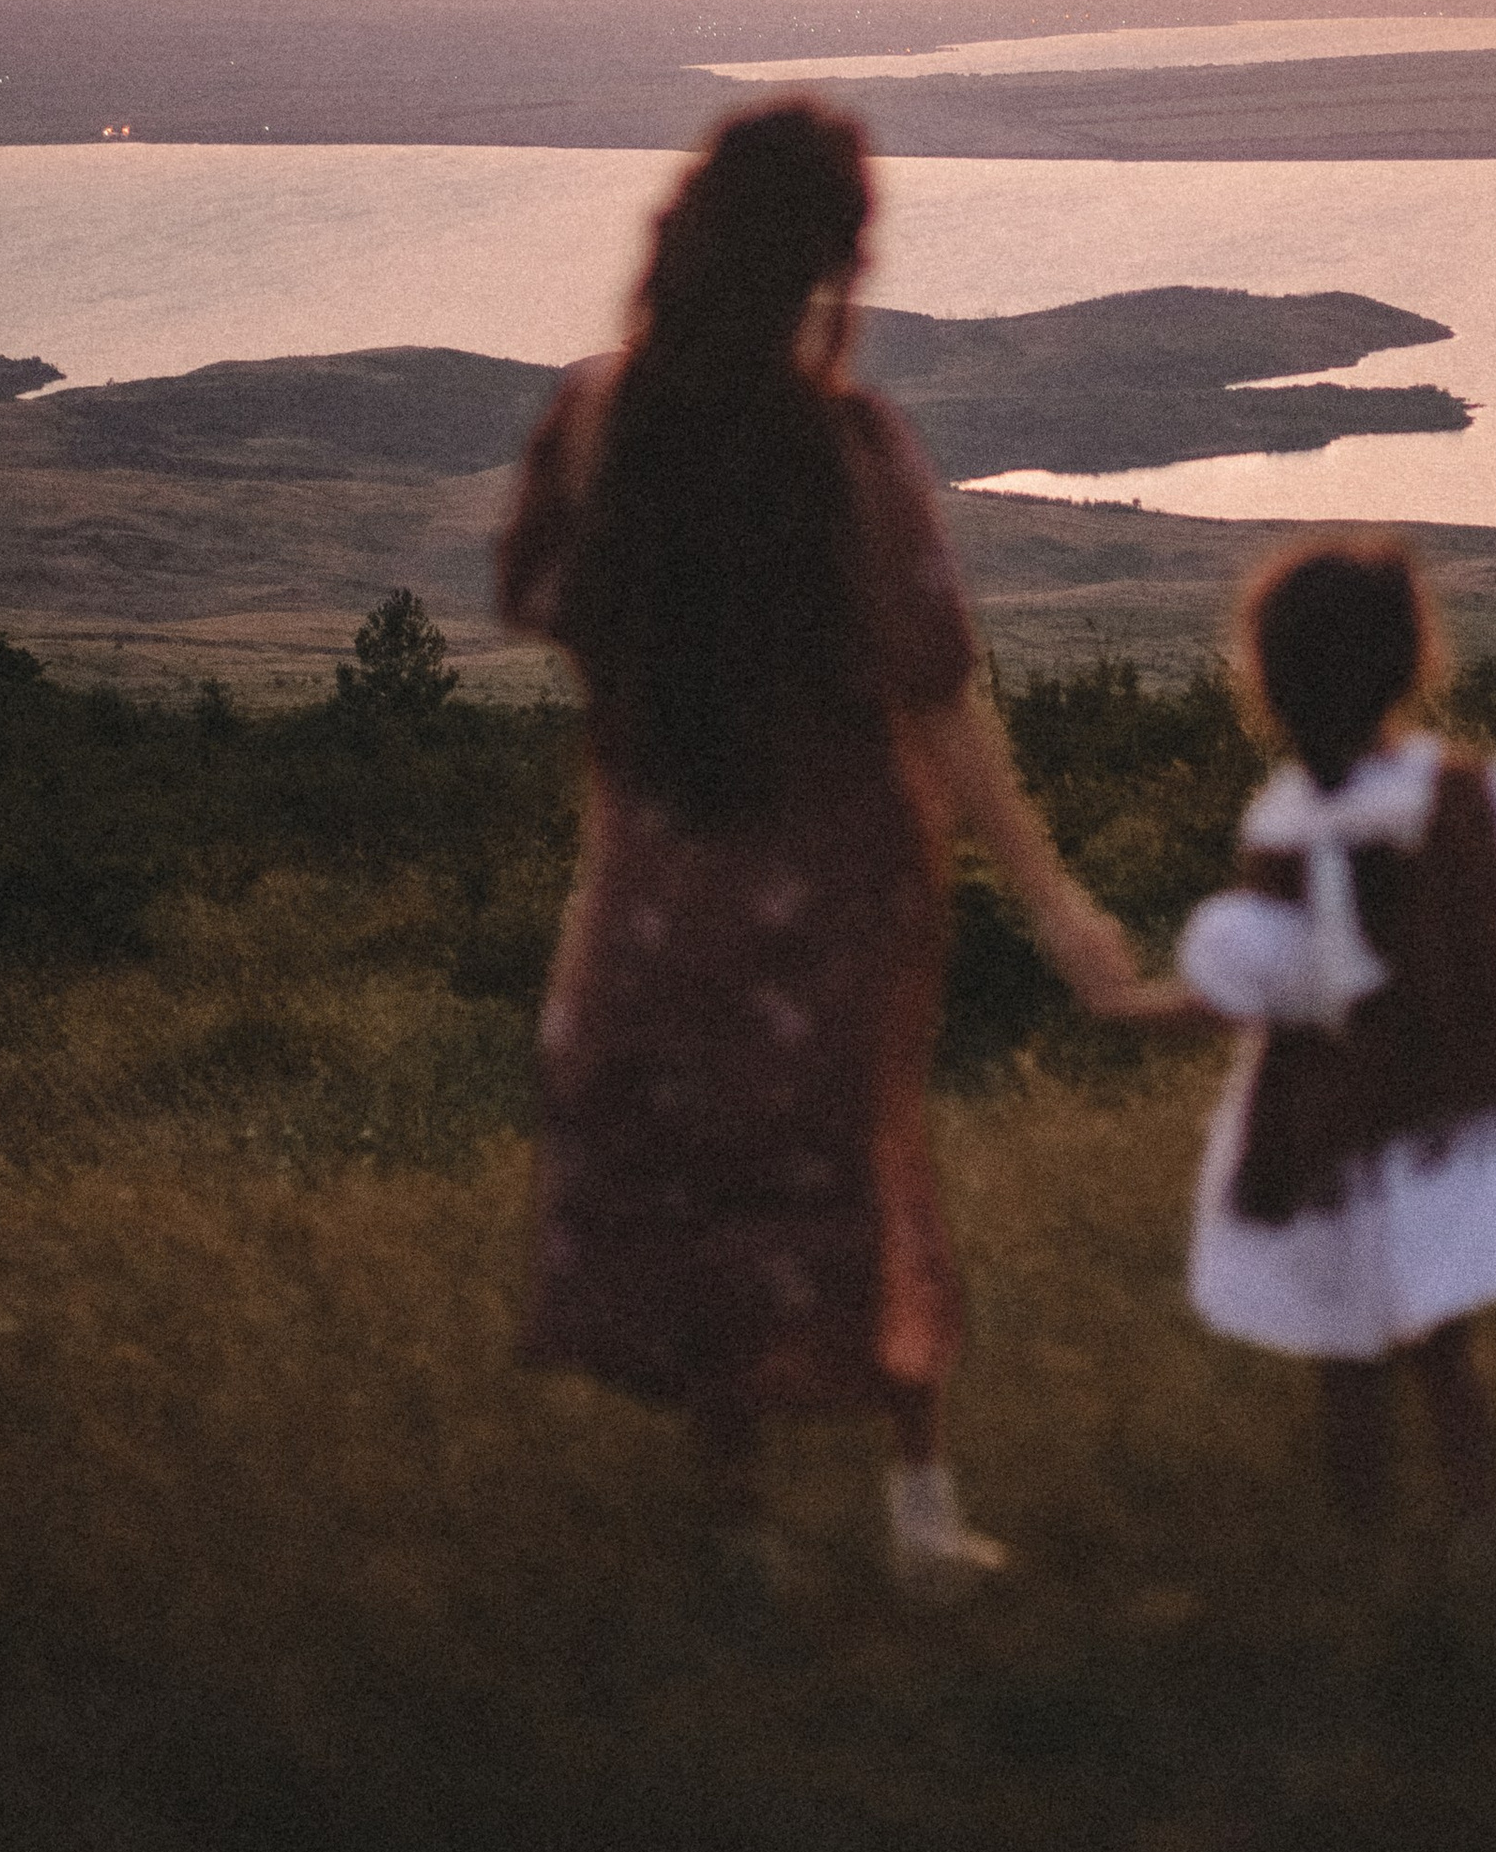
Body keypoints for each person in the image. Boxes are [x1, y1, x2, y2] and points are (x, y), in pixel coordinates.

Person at [496, 99, 1166, 1606]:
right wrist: (1055, 899)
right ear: (830, 257)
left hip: (666, 864)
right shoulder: (850, 441)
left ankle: (732, 1518)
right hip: (842, 864)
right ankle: (920, 1509)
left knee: (704, 1171)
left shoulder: (599, 421)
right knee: (864, 1158)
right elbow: (935, 690)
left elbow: (571, 630)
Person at [1174, 537, 1496, 1565]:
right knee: (1442, 1341)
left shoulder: (1280, 820)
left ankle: (1361, 1531)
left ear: (1269, 683)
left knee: (1342, 1344)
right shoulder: (1472, 792)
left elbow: (1270, 974)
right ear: (1413, 660)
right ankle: (1475, 1517)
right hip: (1448, 1114)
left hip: (1325, 1120)